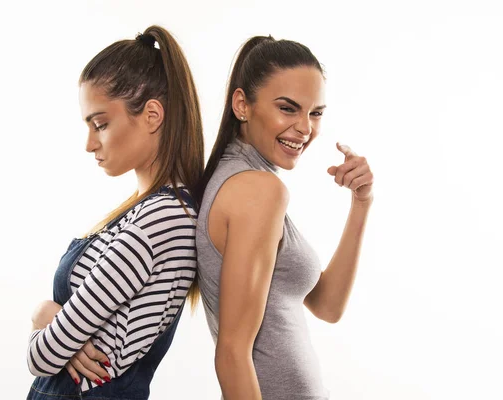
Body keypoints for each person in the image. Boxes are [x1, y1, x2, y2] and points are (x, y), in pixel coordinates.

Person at [26, 25, 204, 399]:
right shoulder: (142, 211)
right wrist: (52, 318)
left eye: (101, 124)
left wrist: (44, 315)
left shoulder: (162, 220)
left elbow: (42, 356)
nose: (90, 143)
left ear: (153, 115)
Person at [195, 35, 374, 400]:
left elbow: (327, 306)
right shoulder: (257, 190)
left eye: (316, 112)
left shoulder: (248, 182)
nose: (306, 128)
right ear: (242, 105)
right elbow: (231, 353)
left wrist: (361, 202)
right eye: (288, 108)